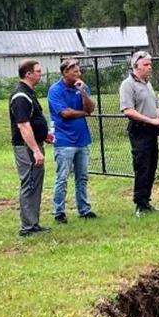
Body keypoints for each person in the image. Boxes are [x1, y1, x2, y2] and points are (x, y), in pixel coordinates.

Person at [119, 51, 159, 217]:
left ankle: (147, 201)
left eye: (150, 64)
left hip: (152, 130)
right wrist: (151, 120)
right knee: (142, 166)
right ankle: (139, 204)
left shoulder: (147, 83)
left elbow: (153, 104)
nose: (149, 67)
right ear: (136, 66)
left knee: (152, 165)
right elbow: (128, 110)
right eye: (146, 65)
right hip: (139, 129)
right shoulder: (128, 85)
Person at [48, 58, 96, 224]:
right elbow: (65, 113)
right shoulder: (55, 90)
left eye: (79, 71)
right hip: (64, 141)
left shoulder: (82, 86)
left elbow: (90, 108)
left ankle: (84, 209)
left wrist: (83, 92)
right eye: (75, 71)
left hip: (82, 139)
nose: (78, 74)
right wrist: (83, 113)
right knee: (62, 178)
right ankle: (58, 211)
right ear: (65, 72)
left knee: (82, 177)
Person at [10, 59, 53, 236]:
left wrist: (44, 135)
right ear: (28, 74)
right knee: (29, 183)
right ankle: (27, 227)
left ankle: (33, 223)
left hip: (34, 144)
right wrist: (35, 150)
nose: (40, 74)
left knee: (35, 184)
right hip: (26, 148)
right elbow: (23, 126)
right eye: (38, 71)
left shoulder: (29, 93)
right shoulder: (21, 96)